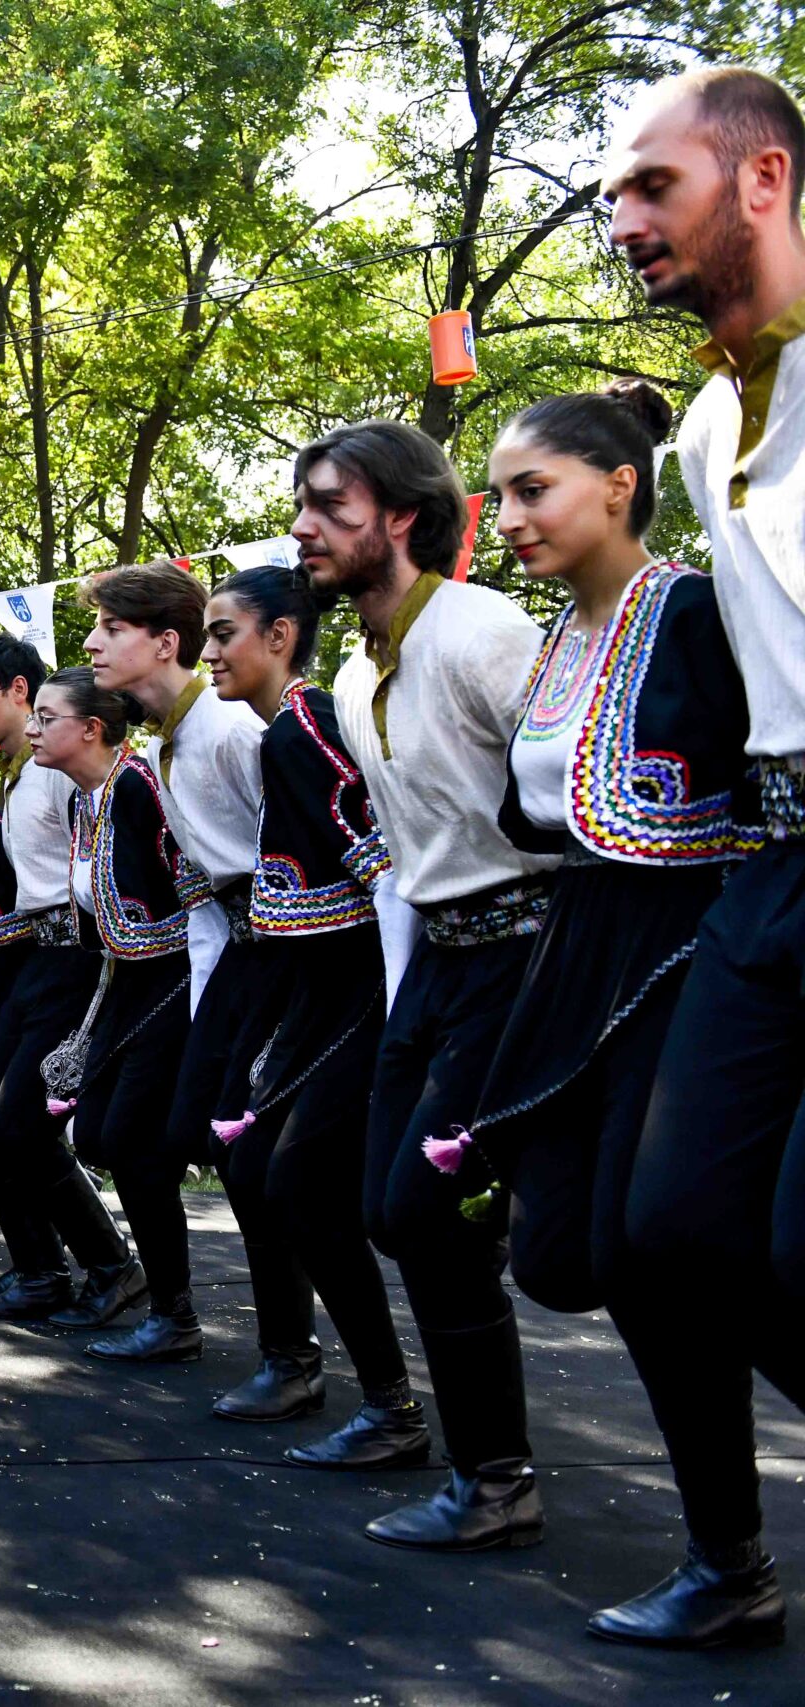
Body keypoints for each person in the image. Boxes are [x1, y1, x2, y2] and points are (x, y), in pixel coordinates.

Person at [460, 380, 772, 1639]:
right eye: (499, 494)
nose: (510, 515)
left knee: (659, 1252)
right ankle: (728, 1557)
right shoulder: (560, 646)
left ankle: (728, 1561)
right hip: (576, 951)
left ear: (619, 485)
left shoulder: (694, 610)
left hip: (687, 945)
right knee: (564, 1253)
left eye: (532, 489)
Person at [603, 66, 805, 1649]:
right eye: (613, 196)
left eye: (650, 186)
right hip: (771, 866)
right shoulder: (712, 425)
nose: (621, 222)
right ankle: (729, 1563)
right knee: (666, 1236)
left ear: (760, 180)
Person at [301, 419, 559, 1551]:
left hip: (524, 954)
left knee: (432, 1217)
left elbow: (568, 803)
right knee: (378, 1206)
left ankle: (495, 1482)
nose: (305, 528)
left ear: (400, 517)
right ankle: (453, 1450)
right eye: (304, 506)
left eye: (332, 508)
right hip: (434, 962)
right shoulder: (357, 668)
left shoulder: (482, 633)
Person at [190, 568, 418, 1452]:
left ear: (279, 635)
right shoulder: (277, 733)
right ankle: (292, 1360)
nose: (209, 652)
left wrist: (402, 1014)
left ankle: (391, 1403)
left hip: (357, 989)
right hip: (309, 991)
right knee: (253, 1171)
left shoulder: (305, 727)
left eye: (223, 633)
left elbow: (382, 865)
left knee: (300, 1183)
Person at [80, 563, 266, 1362]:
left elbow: (297, 856)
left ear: (165, 641)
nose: (91, 642)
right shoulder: (164, 746)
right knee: (149, 1140)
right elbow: (204, 897)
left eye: (112, 628)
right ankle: (181, 1316)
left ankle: (310, 1364)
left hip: (286, 961)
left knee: (258, 1165)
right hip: (222, 963)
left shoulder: (231, 732)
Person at [28, 667, 199, 1358]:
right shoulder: (84, 801)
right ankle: (152, 1294)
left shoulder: (139, 787)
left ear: (91, 729)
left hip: (175, 979)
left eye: (46, 716)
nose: (33, 729)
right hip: (126, 982)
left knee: (131, 1140)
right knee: (98, 1133)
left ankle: (173, 1311)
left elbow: (193, 888)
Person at [0, 636, 107, 1318]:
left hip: (76, 957)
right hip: (35, 958)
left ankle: (108, 1264)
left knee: (17, 1122)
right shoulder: (19, 772)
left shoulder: (59, 767)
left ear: (18, 691)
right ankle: (38, 1269)